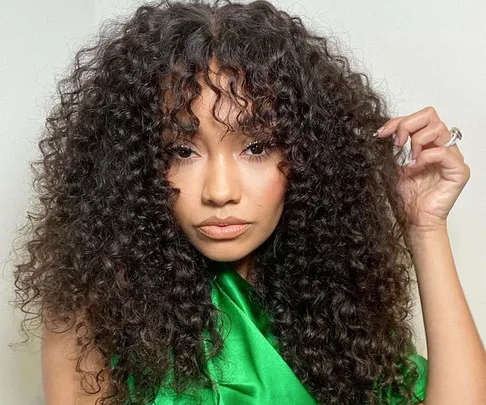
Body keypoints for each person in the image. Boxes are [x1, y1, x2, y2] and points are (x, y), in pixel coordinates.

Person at [10, 0, 484, 404]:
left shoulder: (335, 310)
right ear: (132, 165)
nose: (219, 192)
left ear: (307, 156)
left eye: (256, 147)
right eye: (181, 150)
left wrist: (425, 227)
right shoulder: (94, 309)